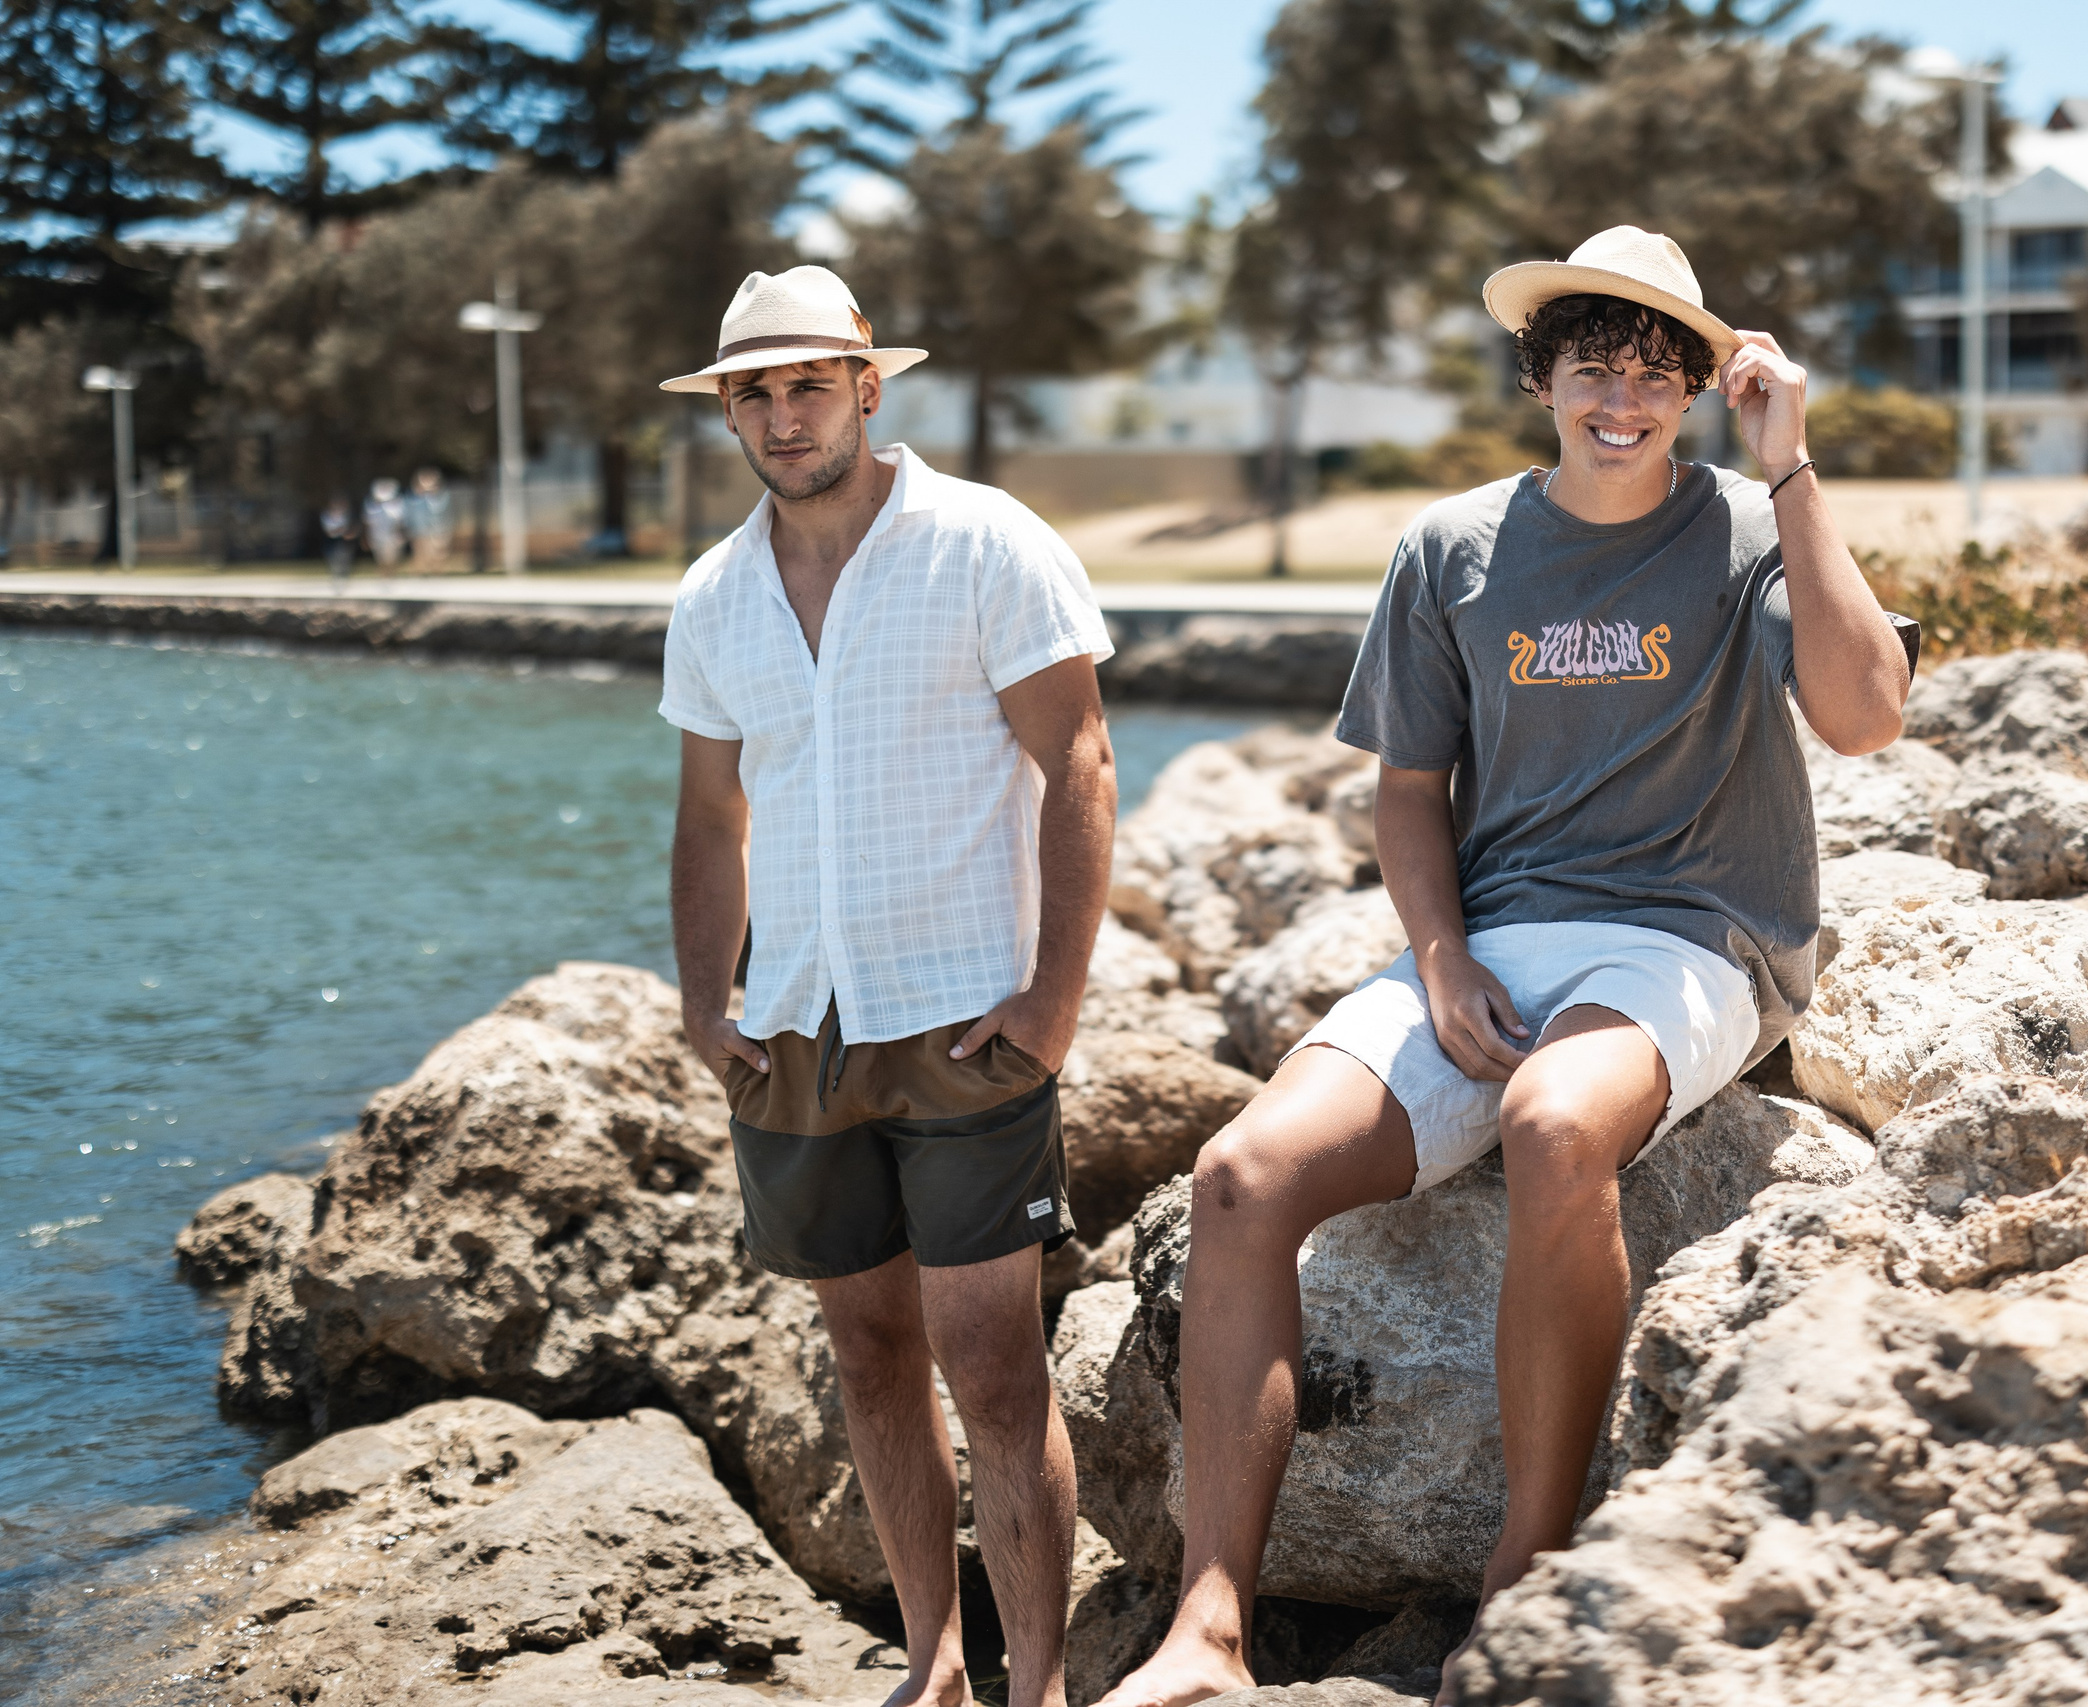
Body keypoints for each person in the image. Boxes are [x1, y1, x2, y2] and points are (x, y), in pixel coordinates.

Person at [1096, 227, 1917, 1707]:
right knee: (1238, 1175)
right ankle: (1207, 1627)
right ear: (1541, 376)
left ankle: (1522, 1579)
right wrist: (1442, 953)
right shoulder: (1451, 547)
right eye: (1593, 362)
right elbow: (1409, 791)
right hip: (1493, 936)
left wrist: (1792, 467)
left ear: (1693, 387)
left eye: (1659, 369)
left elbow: (1864, 718)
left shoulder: (1745, 528)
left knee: (1554, 1123)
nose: (1626, 395)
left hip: (1698, 930)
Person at [658, 265, 1116, 1707]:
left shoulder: (987, 543)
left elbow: (1081, 762)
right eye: (755, 391)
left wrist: (1050, 1002)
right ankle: (936, 1664)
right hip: (796, 1027)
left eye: (809, 383)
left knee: (990, 1361)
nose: (784, 415)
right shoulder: (715, 593)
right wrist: (700, 1003)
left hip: (967, 1013)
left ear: (868, 382)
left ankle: (1033, 1679)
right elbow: (707, 818)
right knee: (866, 1353)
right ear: (727, 410)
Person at [406, 469, 454, 573]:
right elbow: (410, 513)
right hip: (419, 530)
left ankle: (436, 573)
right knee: (420, 553)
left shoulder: (442, 497)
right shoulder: (413, 498)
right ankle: (420, 574)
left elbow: (443, 512)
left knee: (438, 554)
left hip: (438, 529)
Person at [362, 477, 405, 574]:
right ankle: (383, 575)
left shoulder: (398, 503)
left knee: (393, 557)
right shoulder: (371, 504)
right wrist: (365, 536)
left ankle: (391, 574)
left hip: (393, 536)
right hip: (377, 535)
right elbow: (367, 521)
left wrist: (401, 533)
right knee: (380, 557)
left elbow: (401, 520)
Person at [319, 497, 358, 586]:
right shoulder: (326, 515)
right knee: (333, 560)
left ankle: (345, 578)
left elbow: (351, 529)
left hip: (344, 540)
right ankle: (335, 578)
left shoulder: (347, 515)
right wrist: (341, 530)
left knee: (345, 559)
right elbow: (328, 531)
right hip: (331, 540)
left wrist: (347, 532)